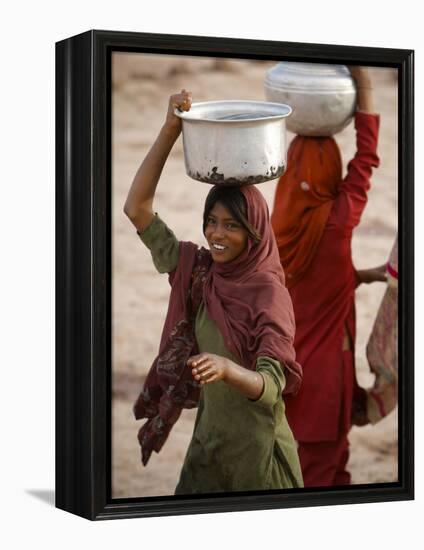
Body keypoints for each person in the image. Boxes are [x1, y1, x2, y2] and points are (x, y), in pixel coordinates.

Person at [124, 90, 304, 494]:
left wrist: (227, 369)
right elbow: (137, 208)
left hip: (258, 459)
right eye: (211, 221)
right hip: (207, 448)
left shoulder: (268, 294)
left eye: (232, 225)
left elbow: (272, 387)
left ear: (255, 232)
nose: (217, 235)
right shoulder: (199, 272)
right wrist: (171, 129)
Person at [271, 67, 384, 487]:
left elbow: (315, 282)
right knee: (327, 478)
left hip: (284, 377)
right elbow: (367, 157)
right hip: (326, 384)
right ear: (333, 172)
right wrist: (364, 81)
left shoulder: (274, 229)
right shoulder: (339, 218)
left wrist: (359, 276)